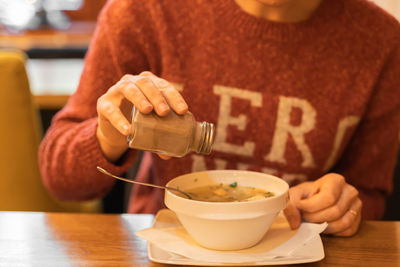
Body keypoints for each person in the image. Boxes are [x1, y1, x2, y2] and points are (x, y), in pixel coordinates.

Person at [39, 0, 400, 237]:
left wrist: (339, 206)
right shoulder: (146, 10)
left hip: (294, 246)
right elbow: (61, 181)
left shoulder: (380, 41)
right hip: (168, 246)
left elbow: (368, 194)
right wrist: (109, 135)